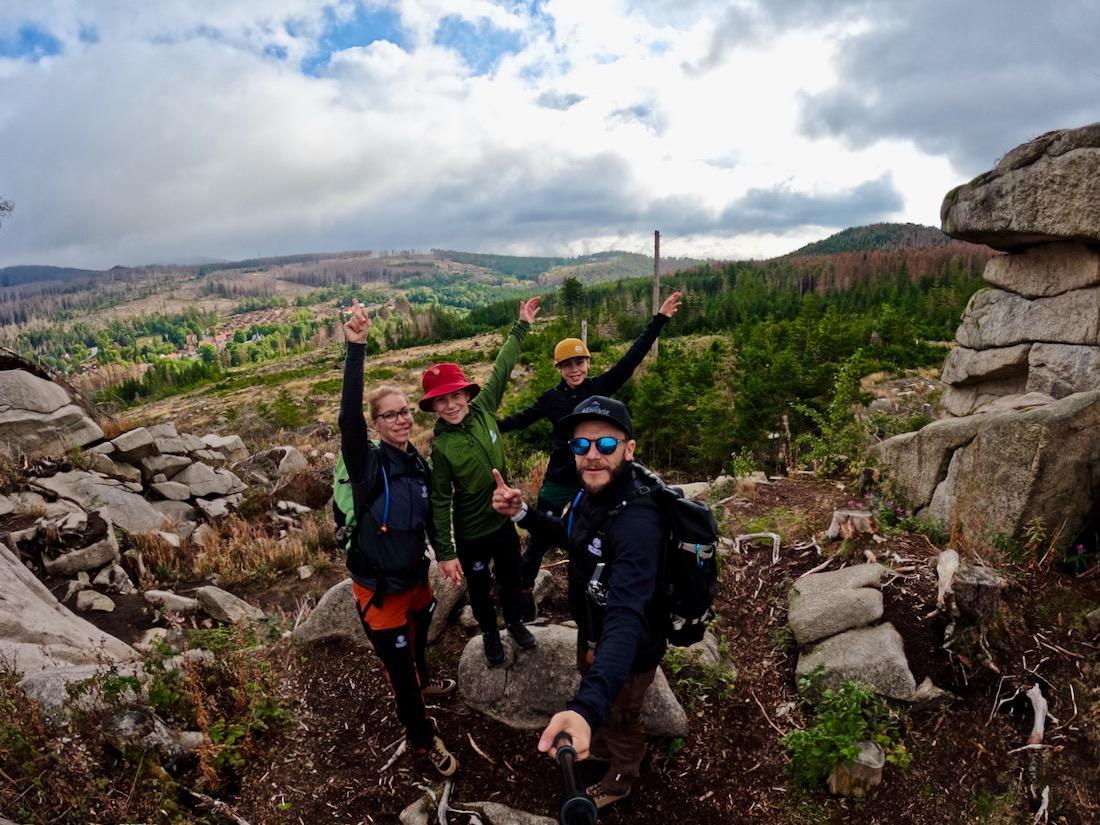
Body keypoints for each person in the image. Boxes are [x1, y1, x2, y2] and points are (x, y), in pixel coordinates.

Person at [491, 395, 668, 810]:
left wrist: (585, 710)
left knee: (624, 716)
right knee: (610, 708)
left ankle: (622, 776)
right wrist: (523, 514)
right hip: (592, 631)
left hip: (628, 648)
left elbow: (626, 619)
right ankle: (601, 734)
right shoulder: (591, 495)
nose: (592, 455)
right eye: (580, 445)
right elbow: (571, 535)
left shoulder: (638, 523)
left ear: (629, 448)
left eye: (605, 445)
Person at [499, 291, 682, 620]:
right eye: (567, 365)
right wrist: (480, 423)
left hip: (593, 484)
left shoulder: (600, 387)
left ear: (588, 362)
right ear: (559, 368)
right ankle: (522, 596)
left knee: (587, 545)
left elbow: (630, 360)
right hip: (558, 482)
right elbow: (517, 420)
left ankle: (583, 605)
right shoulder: (550, 399)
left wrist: (659, 320)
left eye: (579, 362)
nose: (574, 369)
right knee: (540, 541)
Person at [339, 298, 458, 778]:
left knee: (420, 641)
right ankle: (422, 740)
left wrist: (444, 556)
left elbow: (428, 516)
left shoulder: (417, 462)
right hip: (378, 588)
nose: (402, 419)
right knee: (399, 672)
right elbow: (348, 418)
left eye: (406, 412)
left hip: (415, 576)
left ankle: (424, 682)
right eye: (390, 415)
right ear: (375, 424)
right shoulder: (367, 465)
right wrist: (357, 349)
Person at [423, 296, 543, 668]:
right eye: (440, 401)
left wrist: (521, 325)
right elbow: (440, 500)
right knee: (478, 588)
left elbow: (503, 366)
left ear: (466, 394)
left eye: (455, 395)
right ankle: (490, 633)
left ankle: (515, 624)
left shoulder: (484, 407)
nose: (450, 405)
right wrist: (445, 551)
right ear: (433, 407)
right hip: (472, 530)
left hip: (502, 521)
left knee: (511, 577)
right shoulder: (442, 446)